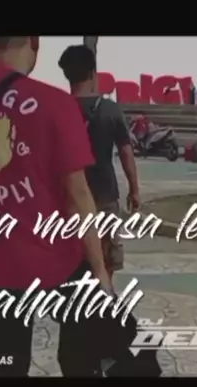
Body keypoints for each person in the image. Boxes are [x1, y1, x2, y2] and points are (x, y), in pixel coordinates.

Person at [0, 36, 112, 377]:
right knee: (80, 358)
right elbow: (78, 196)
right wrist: (100, 270)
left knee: (7, 364)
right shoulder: (56, 104)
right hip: (56, 259)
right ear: (34, 41)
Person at [58, 44, 140, 278]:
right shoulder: (110, 109)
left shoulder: (58, 108)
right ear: (93, 73)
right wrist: (134, 190)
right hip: (105, 194)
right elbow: (126, 153)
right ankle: (106, 291)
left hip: (68, 197)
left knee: (72, 256)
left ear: (66, 73)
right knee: (107, 255)